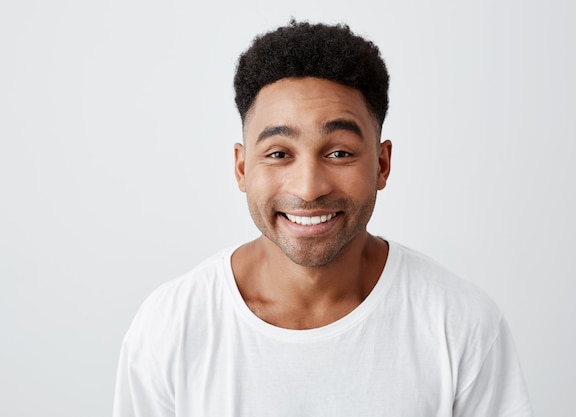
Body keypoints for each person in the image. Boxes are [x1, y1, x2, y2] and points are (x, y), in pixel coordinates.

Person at [113, 20, 533, 417]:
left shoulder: (462, 326)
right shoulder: (170, 329)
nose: (309, 188)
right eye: (279, 154)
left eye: (339, 153)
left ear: (382, 165)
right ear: (242, 169)